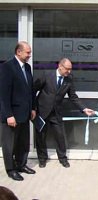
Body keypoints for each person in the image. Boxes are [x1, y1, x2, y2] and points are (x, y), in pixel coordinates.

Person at [33, 58, 95, 168]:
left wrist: (84, 109)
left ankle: (62, 158)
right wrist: (33, 108)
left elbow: (73, 97)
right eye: (67, 69)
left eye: (70, 69)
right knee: (40, 136)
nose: (69, 72)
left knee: (60, 136)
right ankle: (42, 159)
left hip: (56, 113)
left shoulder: (69, 79)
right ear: (60, 66)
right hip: (41, 111)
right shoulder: (47, 75)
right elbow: (33, 90)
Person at [0, 41, 36, 181]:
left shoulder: (27, 67)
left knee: (22, 142)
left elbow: (29, 90)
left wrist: (32, 108)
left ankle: (21, 164)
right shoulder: (7, 67)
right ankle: (11, 169)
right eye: (27, 52)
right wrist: (9, 115)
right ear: (18, 52)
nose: (29, 55)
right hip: (12, 115)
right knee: (9, 144)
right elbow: (3, 94)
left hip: (25, 113)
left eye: (30, 52)